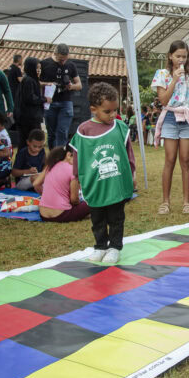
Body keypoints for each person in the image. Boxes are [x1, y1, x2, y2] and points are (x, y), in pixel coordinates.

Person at [70, 83, 135, 264]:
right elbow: (78, 156)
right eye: (108, 111)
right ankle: (100, 246)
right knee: (97, 218)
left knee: (116, 217)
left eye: (115, 110)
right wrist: (77, 178)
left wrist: (133, 175)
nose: (113, 115)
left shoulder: (120, 127)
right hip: (95, 185)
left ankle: (114, 247)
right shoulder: (83, 130)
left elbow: (129, 153)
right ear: (93, 109)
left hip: (116, 184)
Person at [152, 40, 189, 215]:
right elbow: (163, 100)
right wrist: (175, 79)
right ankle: (165, 201)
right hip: (171, 117)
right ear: (170, 56)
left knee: (185, 160)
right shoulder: (162, 73)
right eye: (178, 56)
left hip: (186, 117)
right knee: (170, 159)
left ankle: (186, 202)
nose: (181, 60)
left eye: (184, 57)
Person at [32, 146, 90, 222]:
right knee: (93, 200)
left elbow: (36, 184)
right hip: (61, 215)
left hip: (43, 215)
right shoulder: (74, 171)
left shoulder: (51, 165)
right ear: (69, 155)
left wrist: (49, 197)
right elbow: (74, 200)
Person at [40, 43, 82, 148]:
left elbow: (79, 85)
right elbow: (35, 82)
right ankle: (53, 156)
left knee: (62, 131)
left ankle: (60, 156)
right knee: (51, 133)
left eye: (65, 59)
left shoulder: (71, 65)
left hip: (66, 102)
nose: (63, 62)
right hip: (50, 102)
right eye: (61, 59)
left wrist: (71, 86)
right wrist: (47, 84)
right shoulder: (44, 64)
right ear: (55, 53)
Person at [15, 57, 48, 150]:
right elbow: (30, 98)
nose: (38, 71)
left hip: (28, 117)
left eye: (40, 68)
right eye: (36, 68)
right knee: (29, 142)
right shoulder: (29, 80)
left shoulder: (31, 80)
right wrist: (44, 99)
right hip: (28, 119)